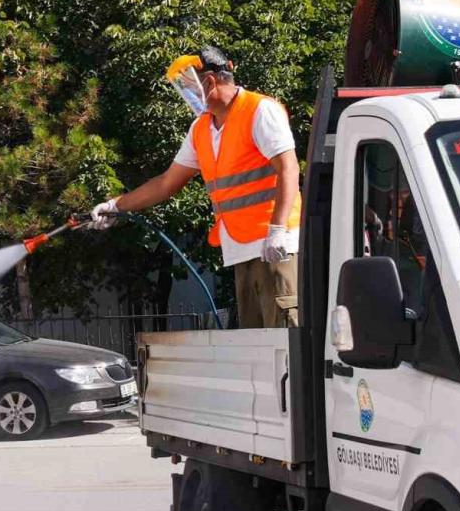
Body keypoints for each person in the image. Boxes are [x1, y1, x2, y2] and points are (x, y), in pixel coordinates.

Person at [90, 46, 302, 328]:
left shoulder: (259, 110)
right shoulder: (201, 129)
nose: (186, 94)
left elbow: (289, 168)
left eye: (190, 85)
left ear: (211, 81)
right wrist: (116, 205)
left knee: (287, 339)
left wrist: (277, 230)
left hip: (275, 246)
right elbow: (167, 183)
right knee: (261, 348)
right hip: (242, 248)